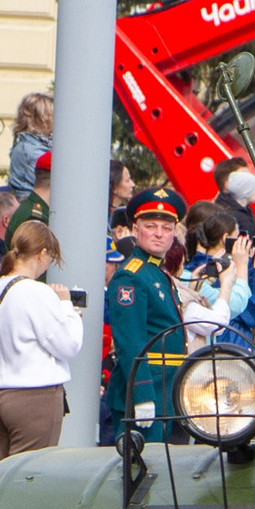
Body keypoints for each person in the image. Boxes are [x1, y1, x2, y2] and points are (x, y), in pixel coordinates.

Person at [0, 222, 81, 509]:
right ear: (42, 255)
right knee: (25, 492)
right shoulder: (36, 293)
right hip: (35, 398)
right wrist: (68, 308)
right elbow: (69, 345)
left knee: (0, 491)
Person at [104, 190, 187, 444]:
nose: (159, 233)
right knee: (139, 472)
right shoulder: (132, 276)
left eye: (166, 227)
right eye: (150, 226)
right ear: (135, 229)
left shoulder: (155, 272)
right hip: (146, 389)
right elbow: (131, 342)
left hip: (166, 391)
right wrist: (142, 395)